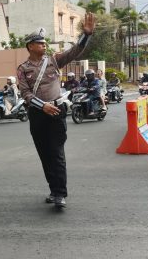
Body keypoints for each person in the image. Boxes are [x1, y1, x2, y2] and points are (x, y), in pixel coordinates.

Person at [17, 13, 96, 208]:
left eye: (44, 43)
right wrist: (41, 105)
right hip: (37, 114)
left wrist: (86, 35)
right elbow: (25, 93)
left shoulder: (54, 60)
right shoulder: (22, 68)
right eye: (40, 43)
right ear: (30, 46)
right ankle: (53, 190)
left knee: (56, 153)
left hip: (56, 111)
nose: (44, 45)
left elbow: (75, 51)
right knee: (44, 154)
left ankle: (60, 194)